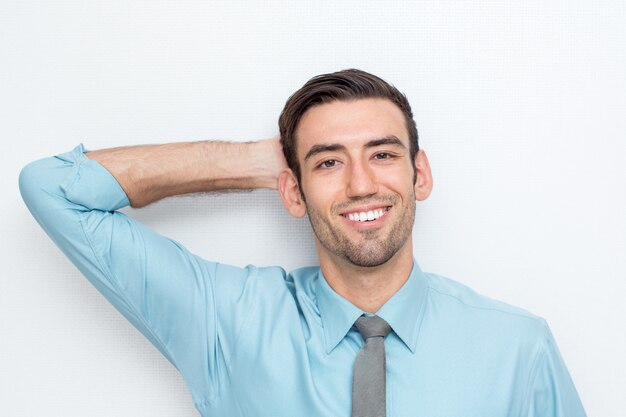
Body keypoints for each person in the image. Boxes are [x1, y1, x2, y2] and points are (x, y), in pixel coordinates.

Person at [19, 69, 586, 417]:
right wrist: (251, 162)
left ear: (421, 175)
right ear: (292, 191)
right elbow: (53, 189)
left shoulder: (519, 350)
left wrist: (314, 161)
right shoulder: (227, 321)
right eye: (329, 162)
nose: (361, 183)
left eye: (383, 154)